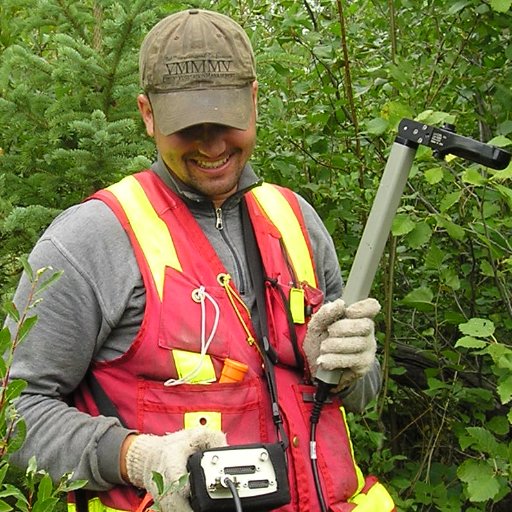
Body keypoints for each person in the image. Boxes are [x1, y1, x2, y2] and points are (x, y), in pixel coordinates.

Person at [6, 8, 396, 512]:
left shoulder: (296, 221)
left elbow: (364, 396)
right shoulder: (91, 240)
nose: (212, 145)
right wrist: (134, 457)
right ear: (148, 115)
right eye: (189, 127)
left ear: (254, 101)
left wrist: (351, 371)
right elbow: (13, 411)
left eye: (226, 120)